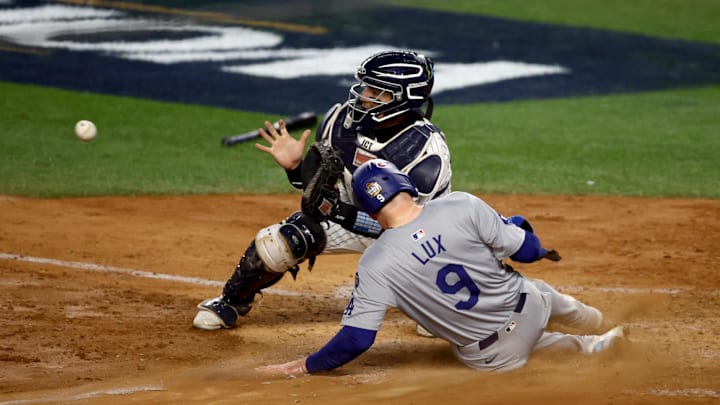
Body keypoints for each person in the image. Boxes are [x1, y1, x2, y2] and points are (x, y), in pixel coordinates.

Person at [256, 159, 626, 374]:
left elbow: (357, 339)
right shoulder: (460, 205)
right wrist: (520, 227)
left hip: (494, 355)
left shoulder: (375, 264)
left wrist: (304, 366)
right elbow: (526, 251)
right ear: (403, 182)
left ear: (369, 210)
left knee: (536, 347)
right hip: (529, 305)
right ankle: (594, 324)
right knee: (542, 292)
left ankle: (586, 348)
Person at [193, 50, 452, 330]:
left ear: (403, 98)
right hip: (350, 216)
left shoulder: (425, 152)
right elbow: (317, 189)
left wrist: (339, 212)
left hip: (419, 238)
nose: (364, 94)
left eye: (376, 91)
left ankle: (446, 300)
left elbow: (404, 227)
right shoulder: (340, 122)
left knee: (435, 325)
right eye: (366, 86)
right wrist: (295, 168)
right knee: (282, 240)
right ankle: (231, 300)